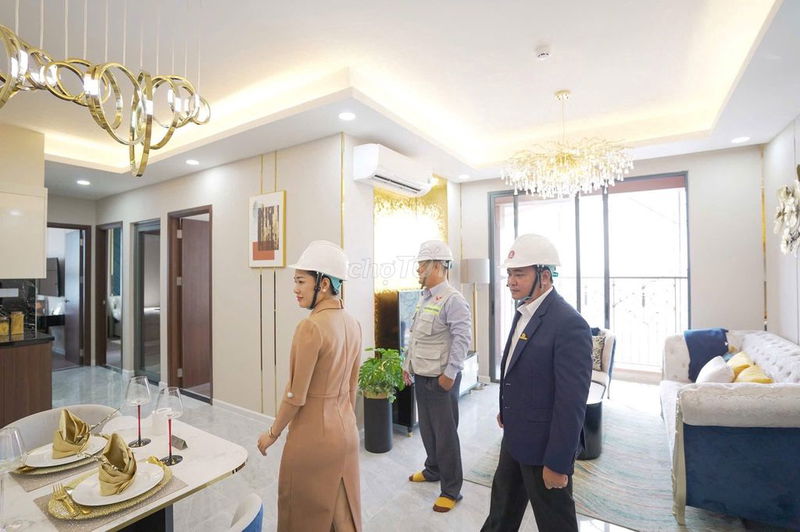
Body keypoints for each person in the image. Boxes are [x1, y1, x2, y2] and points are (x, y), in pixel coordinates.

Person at [481, 233, 592, 532]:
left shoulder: (569, 324)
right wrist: (507, 408)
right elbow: (517, 369)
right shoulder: (525, 310)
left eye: (519, 274)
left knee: (555, 522)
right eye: (509, 274)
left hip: (544, 447)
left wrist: (558, 463)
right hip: (515, 436)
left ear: (544, 276)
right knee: (501, 512)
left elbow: (571, 404)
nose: (510, 282)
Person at [257, 240, 363, 532]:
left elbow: (295, 395)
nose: (295, 288)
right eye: (295, 281)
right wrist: (345, 424)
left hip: (313, 439)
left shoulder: (310, 327)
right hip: (346, 433)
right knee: (343, 515)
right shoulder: (354, 323)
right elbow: (352, 387)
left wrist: (272, 433)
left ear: (324, 284)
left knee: (299, 515)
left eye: (301, 281)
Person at [403, 240, 472, 513]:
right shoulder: (425, 297)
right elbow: (415, 336)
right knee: (428, 429)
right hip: (422, 375)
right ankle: (433, 469)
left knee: (446, 435)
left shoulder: (454, 300)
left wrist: (450, 374)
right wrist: (407, 364)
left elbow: (462, 338)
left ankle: (451, 490)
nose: (418, 270)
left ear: (438, 266)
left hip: (441, 378)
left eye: (422, 265)